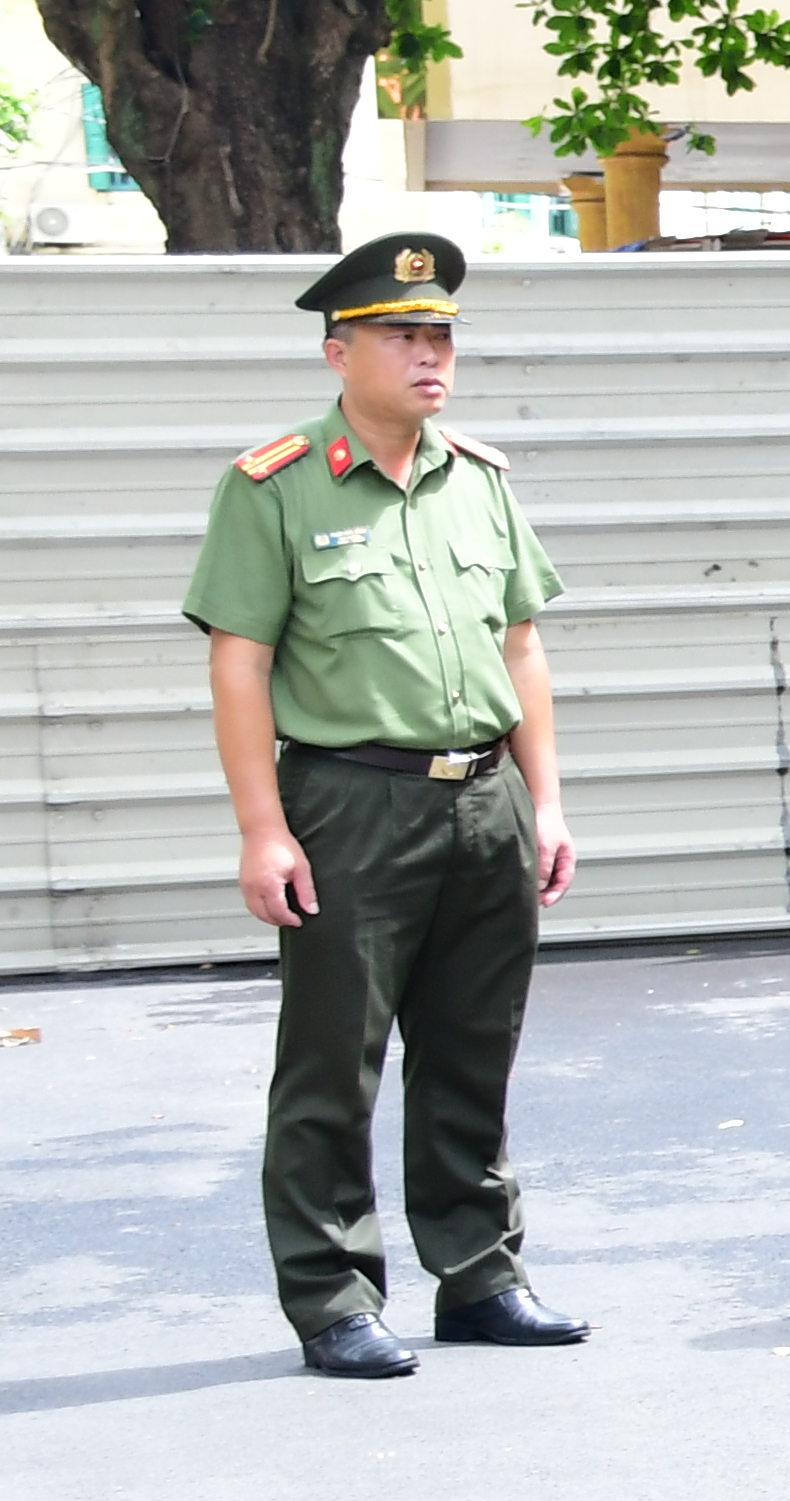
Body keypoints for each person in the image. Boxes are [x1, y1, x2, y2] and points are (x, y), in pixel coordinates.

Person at [182, 233, 586, 1380]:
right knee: (331, 1061)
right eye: (404, 336)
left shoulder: (482, 480)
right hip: (348, 801)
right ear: (337, 351)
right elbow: (239, 662)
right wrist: (263, 827)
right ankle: (331, 1294)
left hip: (484, 798)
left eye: (442, 335)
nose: (430, 355)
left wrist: (544, 803)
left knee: (471, 1052)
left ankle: (482, 1275)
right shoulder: (273, 485)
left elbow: (523, 644)